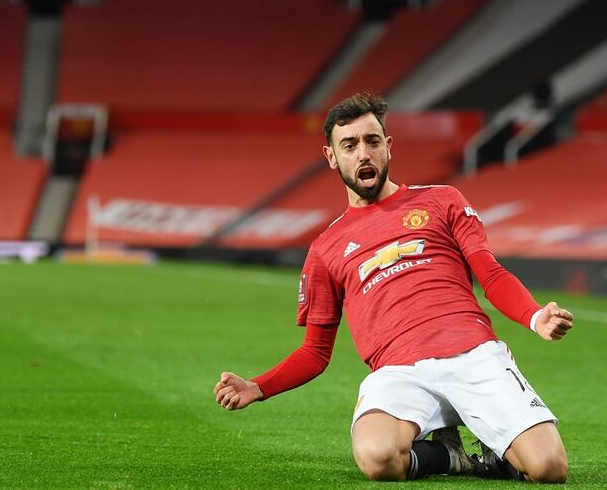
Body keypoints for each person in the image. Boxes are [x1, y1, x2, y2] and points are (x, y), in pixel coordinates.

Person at [214, 92, 573, 483]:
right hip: (399, 373)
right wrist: (257, 387)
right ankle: (450, 456)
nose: (363, 154)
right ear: (332, 157)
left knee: (549, 468)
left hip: (474, 356)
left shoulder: (442, 200)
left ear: (388, 147)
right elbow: (316, 353)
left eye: (372, 141)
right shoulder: (324, 249)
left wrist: (534, 315)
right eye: (349, 145)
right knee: (377, 458)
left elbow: (490, 272)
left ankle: (499, 449)